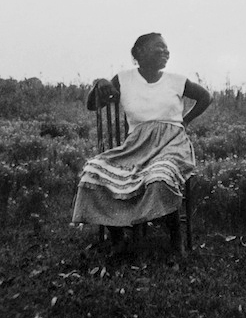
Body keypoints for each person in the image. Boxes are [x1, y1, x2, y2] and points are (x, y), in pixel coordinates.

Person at [72, 32, 212, 256]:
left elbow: (206, 97)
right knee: (94, 170)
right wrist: (99, 83)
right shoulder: (124, 79)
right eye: (159, 47)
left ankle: (176, 241)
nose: (165, 52)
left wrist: (184, 120)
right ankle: (117, 237)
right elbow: (92, 106)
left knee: (161, 174)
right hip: (136, 147)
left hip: (172, 145)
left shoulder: (176, 80)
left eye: (167, 49)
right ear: (139, 53)